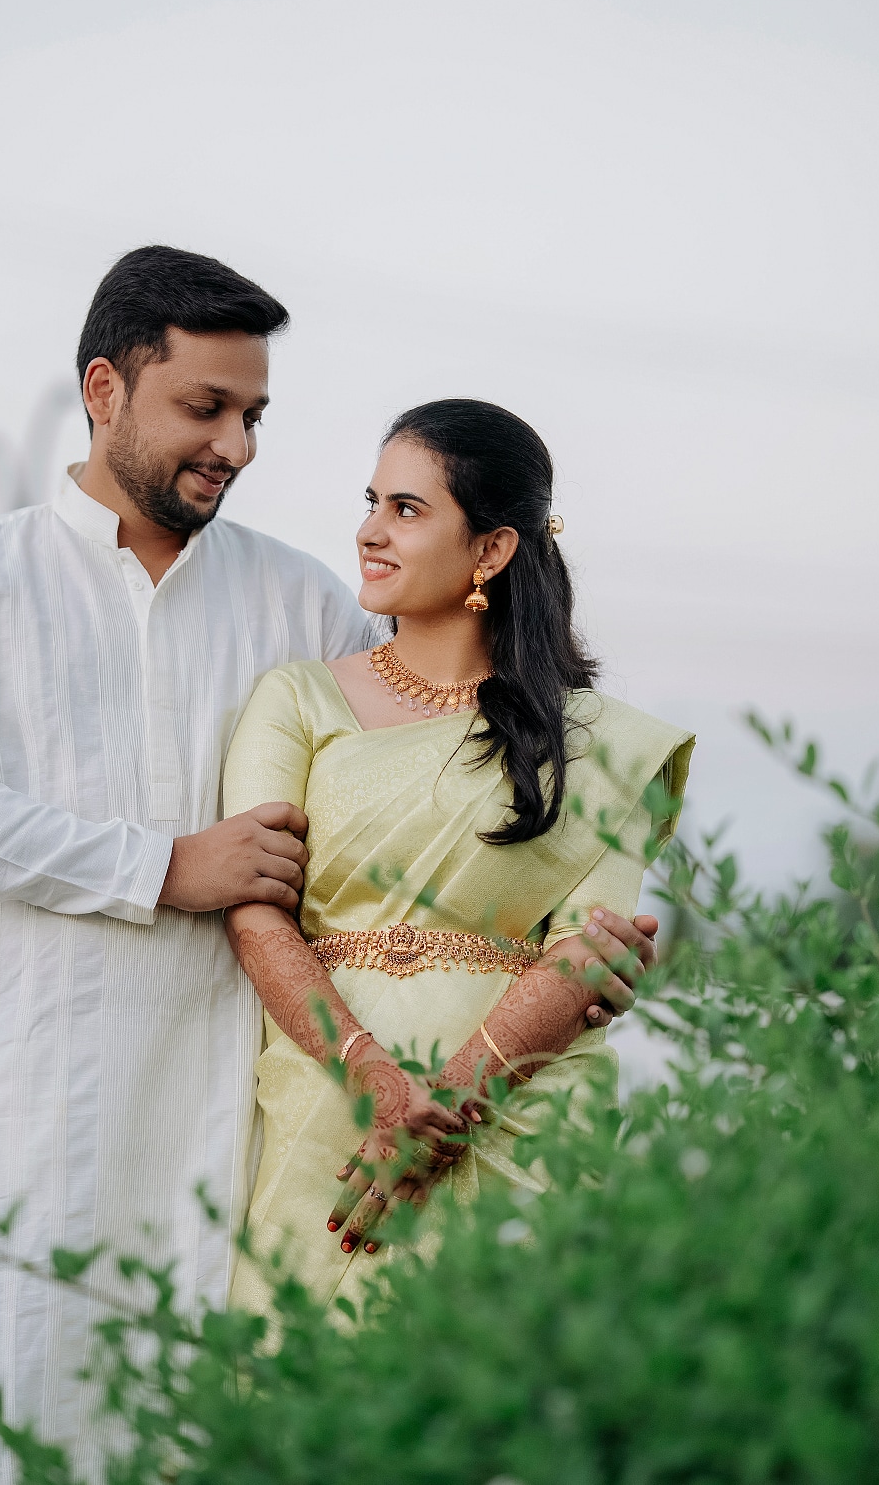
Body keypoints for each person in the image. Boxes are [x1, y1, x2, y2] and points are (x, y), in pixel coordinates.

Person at [0, 249, 654, 1478]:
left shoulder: (298, 600)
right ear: (105, 390)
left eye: (255, 415)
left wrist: (568, 924)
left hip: (232, 1130)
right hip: (22, 1103)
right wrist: (163, 867)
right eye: (205, 408)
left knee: (188, 1435)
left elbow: (429, 779)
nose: (237, 445)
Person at [223, 398, 694, 1314]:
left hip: (521, 1113)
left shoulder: (598, 743)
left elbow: (590, 948)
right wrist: (375, 1083)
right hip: (325, 1103)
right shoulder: (299, 700)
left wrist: (443, 1111)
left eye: (407, 509)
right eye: (371, 502)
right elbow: (254, 910)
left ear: (492, 549)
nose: (370, 532)